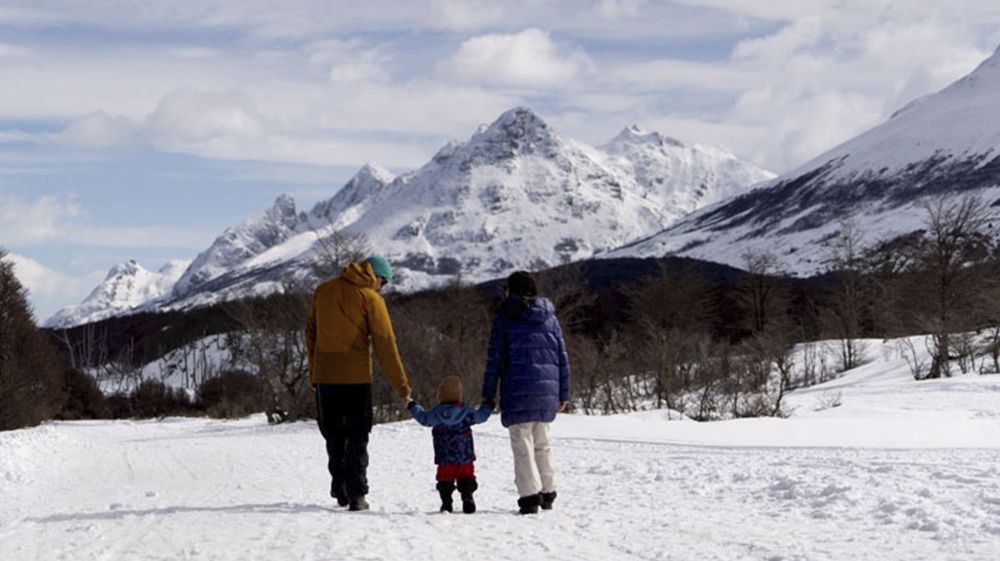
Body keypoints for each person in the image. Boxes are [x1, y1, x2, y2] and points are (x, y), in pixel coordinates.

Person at [305, 254, 411, 511]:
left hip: (326, 376)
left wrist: (314, 372)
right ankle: (356, 493)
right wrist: (402, 387)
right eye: (383, 282)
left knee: (333, 434)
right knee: (358, 434)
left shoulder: (323, 290)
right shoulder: (371, 299)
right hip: (356, 378)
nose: (382, 288)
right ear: (377, 276)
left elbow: (310, 333)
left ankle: (339, 486)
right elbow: (386, 343)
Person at [481, 270, 570, 515]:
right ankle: (548, 492)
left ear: (511, 291)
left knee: (523, 444)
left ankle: (530, 497)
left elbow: (494, 360)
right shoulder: (550, 318)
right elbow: (562, 358)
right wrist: (564, 392)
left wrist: (488, 394)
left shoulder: (505, 318)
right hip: (547, 390)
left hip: (517, 389)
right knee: (542, 442)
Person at [408, 375, 493, 513]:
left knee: (445, 479)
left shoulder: (436, 414)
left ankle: (446, 502)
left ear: (441, 396)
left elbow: (423, 418)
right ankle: (467, 498)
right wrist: (488, 406)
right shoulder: (466, 412)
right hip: (464, 455)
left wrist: (413, 406)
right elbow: (480, 417)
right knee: (466, 477)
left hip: (444, 456)